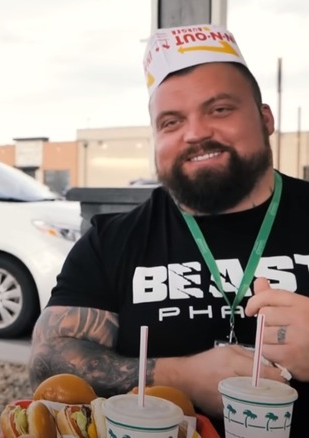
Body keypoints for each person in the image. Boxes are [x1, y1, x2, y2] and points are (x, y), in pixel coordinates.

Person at [29, 23, 309, 436]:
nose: (195, 133)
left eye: (220, 109)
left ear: (266, 118)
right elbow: (45, 364)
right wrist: (184, 377)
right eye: (171, 122)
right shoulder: (112, 241)